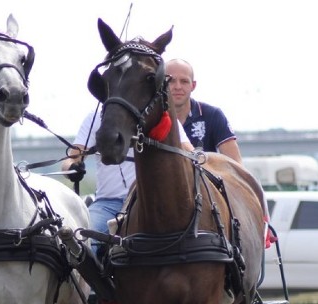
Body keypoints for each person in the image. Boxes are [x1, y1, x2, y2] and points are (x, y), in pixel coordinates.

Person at [62, 109, 192, 247]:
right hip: (108, 204)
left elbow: (191, 154)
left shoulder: (159, 115)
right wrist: (72, 168)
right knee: (83, 242)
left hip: (151, 204)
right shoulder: (94, 118)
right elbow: (69, 161)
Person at [165, 58, 243, 163]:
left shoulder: (213, 115)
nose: (178, 87)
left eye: (184, 81)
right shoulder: (152, 119)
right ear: (161, 84)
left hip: (204, 178)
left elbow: (236, 165)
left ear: (193, 86)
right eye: (171, 81)